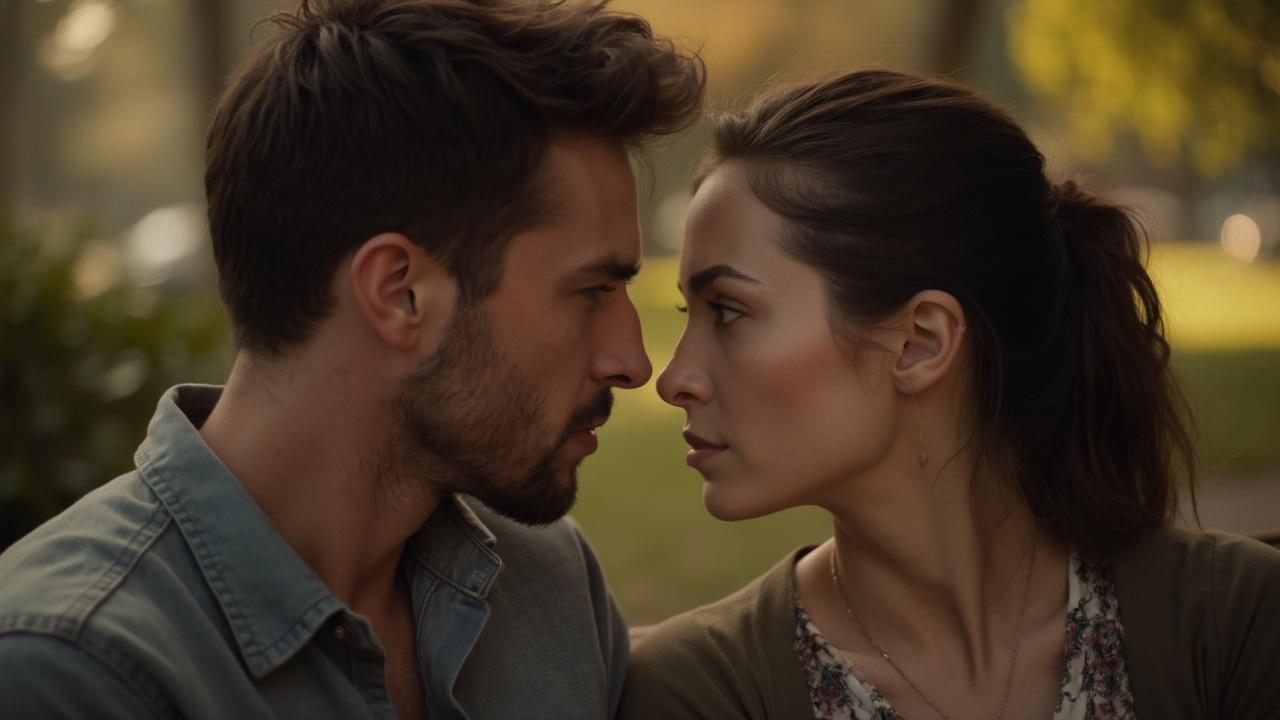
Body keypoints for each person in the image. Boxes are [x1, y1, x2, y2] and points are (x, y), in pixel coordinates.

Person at [0, 1, 703, 718]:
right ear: (399, 295)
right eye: (590, 291)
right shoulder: (67, 672)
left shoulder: (547, 583)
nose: (633, 363)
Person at [621, 70, 1280, 719]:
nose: (674, 378)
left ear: (921, 343)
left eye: (728, 311)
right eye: (688, 315)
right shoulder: (703, 693)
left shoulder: (1234, 623)